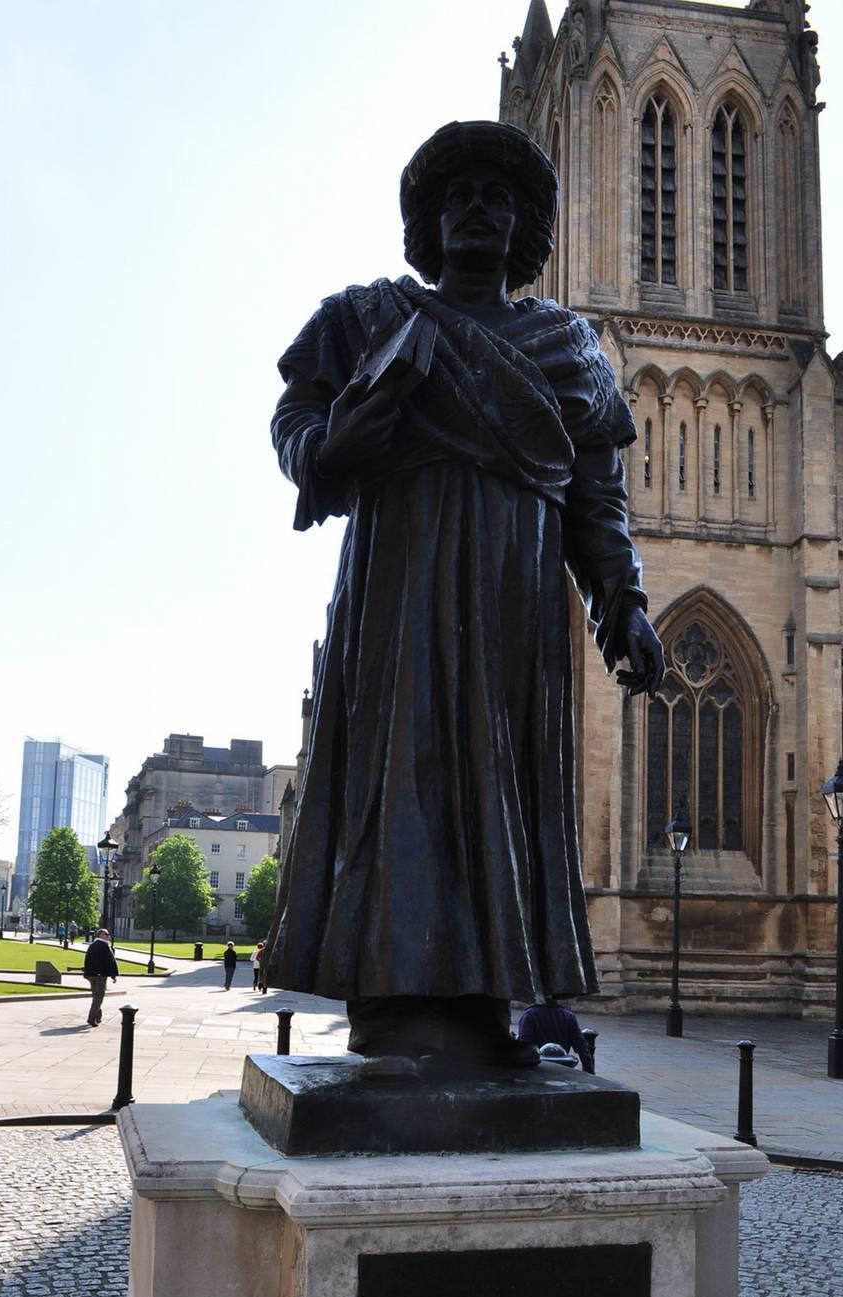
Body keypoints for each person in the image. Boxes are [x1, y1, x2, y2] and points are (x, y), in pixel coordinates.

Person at [265, 120, 663, 1073]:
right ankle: (389, 1005)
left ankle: (484, 1009)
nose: (477, 210)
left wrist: (621, 602)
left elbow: (596, 497)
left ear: (524, 228)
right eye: (458, 197)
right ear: (430, 224)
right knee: (402, 772)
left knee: (501, 784)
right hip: (398, 583)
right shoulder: (369, 318)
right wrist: (328, 447)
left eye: (497, 198)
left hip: (514, 595)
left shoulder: (567, 345)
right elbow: (294, 415)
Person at [516, 998, 594, 1072]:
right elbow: (581, 1046)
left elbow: (525, 1045)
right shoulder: (568, 1016)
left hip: (537, 1069)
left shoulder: (529, 1015)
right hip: (562, 1068)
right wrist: (589, 1071)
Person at [83, 928, 118, 1027]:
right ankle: (91, 1018)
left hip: (92, 975)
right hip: (101, 976)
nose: (107, 936)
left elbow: (87, 960)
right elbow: (110, 961)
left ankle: (98, 1016)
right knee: (99, 997)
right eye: (105, 934)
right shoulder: (105, 946)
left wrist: (86, 974)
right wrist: (113, 975)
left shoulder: (92, 946)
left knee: (96, 996)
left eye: (107, 934)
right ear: (100, 935)